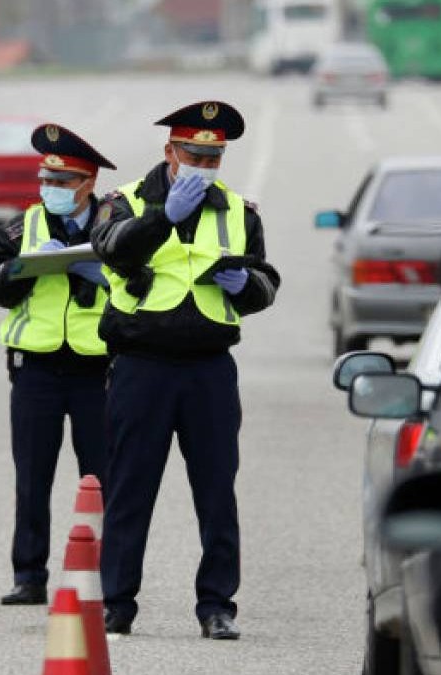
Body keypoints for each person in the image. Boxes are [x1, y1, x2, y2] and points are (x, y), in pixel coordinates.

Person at [90, 101, 280, 639]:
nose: (203, 166)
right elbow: (112, 251)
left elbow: (265, 281)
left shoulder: (240, 212)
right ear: (169, 152)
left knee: (217, 492)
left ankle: (217, 605)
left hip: (208, 369)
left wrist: (249, 287)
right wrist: (164, 217)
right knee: (131, 489)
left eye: (213, 158)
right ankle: (117, 603)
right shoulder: (125, 202)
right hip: (142, 365)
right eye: (194, 155)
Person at [0, 123, 117, 605]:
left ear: (88, 183)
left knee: (103, 479)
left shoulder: (117, 228)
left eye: (62, 181)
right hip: (35, 369)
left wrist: (104, 276)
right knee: (32, 478)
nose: (50, 188)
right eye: (45, 180)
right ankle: (29, 575)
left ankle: (106, 573)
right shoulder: (21, 228)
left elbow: (144, 284)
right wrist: (23, 269)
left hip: (99, 372)